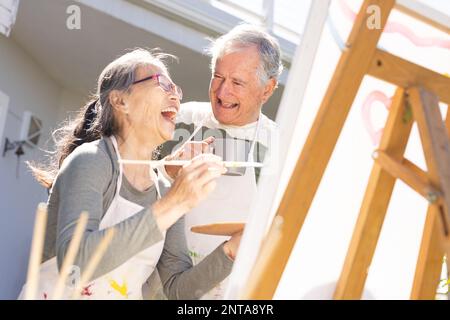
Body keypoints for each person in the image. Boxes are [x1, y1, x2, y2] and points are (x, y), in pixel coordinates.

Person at [18, 48, 240, 300]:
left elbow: (179, 291)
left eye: (176, 89)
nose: (175, 96)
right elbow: (74, 270)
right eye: (162, 83)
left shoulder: (165, 191)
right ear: (120, 100)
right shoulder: (91, 161)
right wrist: (173, 204)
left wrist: (232, 250)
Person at [157, 23, 282, 299]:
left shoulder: (279, 146)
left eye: (237, 82)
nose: (223, 93)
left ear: (268, 89)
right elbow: (132, 177)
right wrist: (166, 169)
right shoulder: (180, 119)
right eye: (218, 77)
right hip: (158, 286)